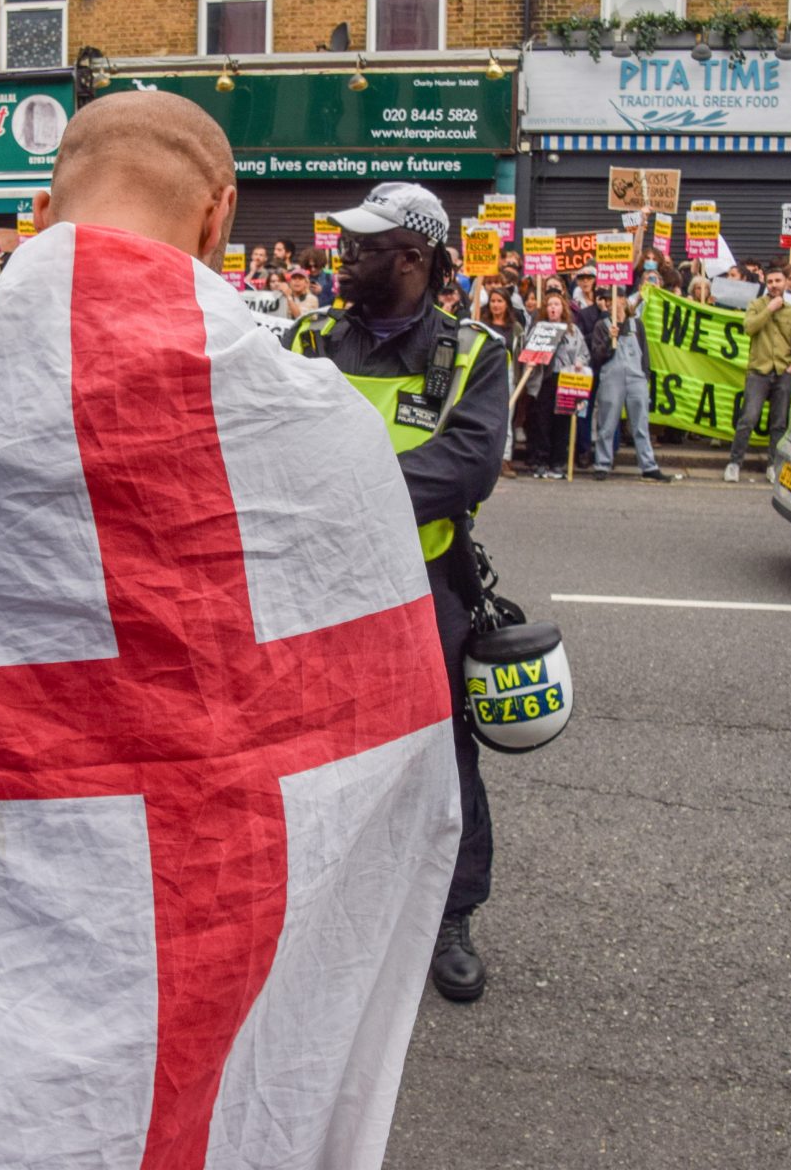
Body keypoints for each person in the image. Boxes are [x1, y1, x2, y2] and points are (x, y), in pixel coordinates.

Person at [0, 91, 461, 1170]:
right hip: (210, 895)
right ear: (220, 216)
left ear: (41, 204)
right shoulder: (320, 420)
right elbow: (389, 723)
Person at [288, 180, 509, 1004]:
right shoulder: (310, 338)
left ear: (412, 259)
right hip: (317, 587)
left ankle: (450, 916)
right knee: (314, 748)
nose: (340, 259)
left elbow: (466, 468)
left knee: (442, 758)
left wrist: (342, 489)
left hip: (422, 589)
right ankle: (327, 901)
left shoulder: (477, 353)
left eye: (361, 248)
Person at [589, 292, 677, 483]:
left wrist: (644, 375)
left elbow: (644, 353)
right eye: (609, 301)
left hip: (636, 377)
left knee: (641, 424)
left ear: (623, 300)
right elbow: (597, 356)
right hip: (612, 377)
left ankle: (648, 466)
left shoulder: (636, 325)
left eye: (616, 299)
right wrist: (609, 341)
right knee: (607, 423)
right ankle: (603, 463)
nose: (613, 304)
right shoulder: (601, 326)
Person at [727, 265, 791, 484]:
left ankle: (773, 465)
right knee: (748, 418)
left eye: (778, 281)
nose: (774, 285)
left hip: (783, 372)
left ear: (785, 283)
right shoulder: (756, 305)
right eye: (770, 282)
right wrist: (769, 309)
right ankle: (734, 463)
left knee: (779, 422)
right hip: (759, 371)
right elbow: (749, 327)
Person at [523, 290, 589, 480]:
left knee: (562, 423)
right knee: (542, 422)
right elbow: (528, 350)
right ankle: (541, 461)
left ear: (563, 308)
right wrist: (530, 360)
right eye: (550, 305)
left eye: (557, 305)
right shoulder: (539, 329)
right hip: (545, 379)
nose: (553, 308)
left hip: (566, 378)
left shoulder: (573, 331)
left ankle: (557, 462)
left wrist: (579, 362)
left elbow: (583, 352)